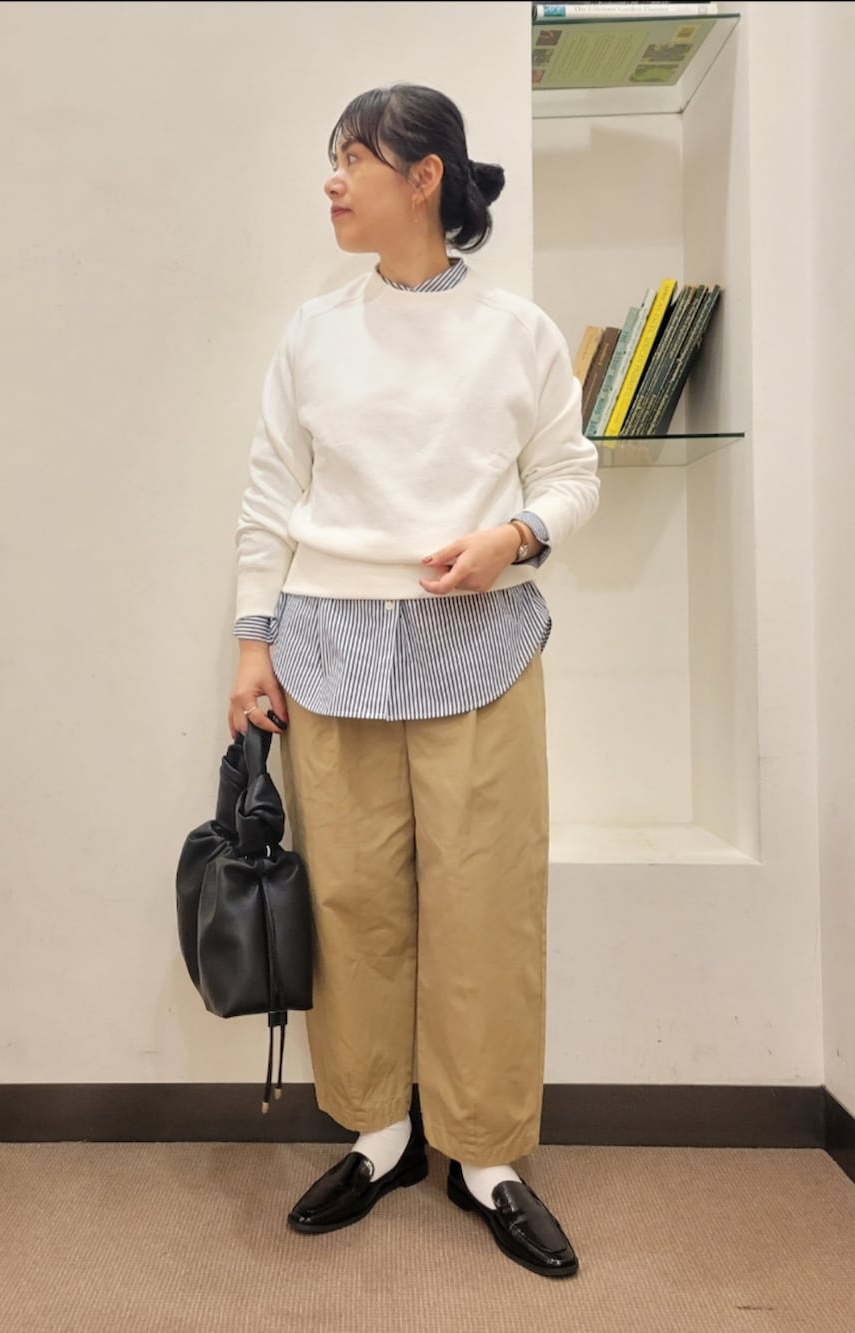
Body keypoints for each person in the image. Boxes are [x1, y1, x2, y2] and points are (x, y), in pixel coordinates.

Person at [228, 84, 599, 1278]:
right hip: (329, 653)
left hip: (477, 648)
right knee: (351, 907)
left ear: (424, 175)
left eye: (352, 159)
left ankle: (485, 1157)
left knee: (487, 906)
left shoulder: (517, 332)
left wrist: (516, 538)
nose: (332, 181)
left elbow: (572, 474)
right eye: (331, 159)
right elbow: (269, 492)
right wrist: (251, 643)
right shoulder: (312, 333)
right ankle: (380, 1135)